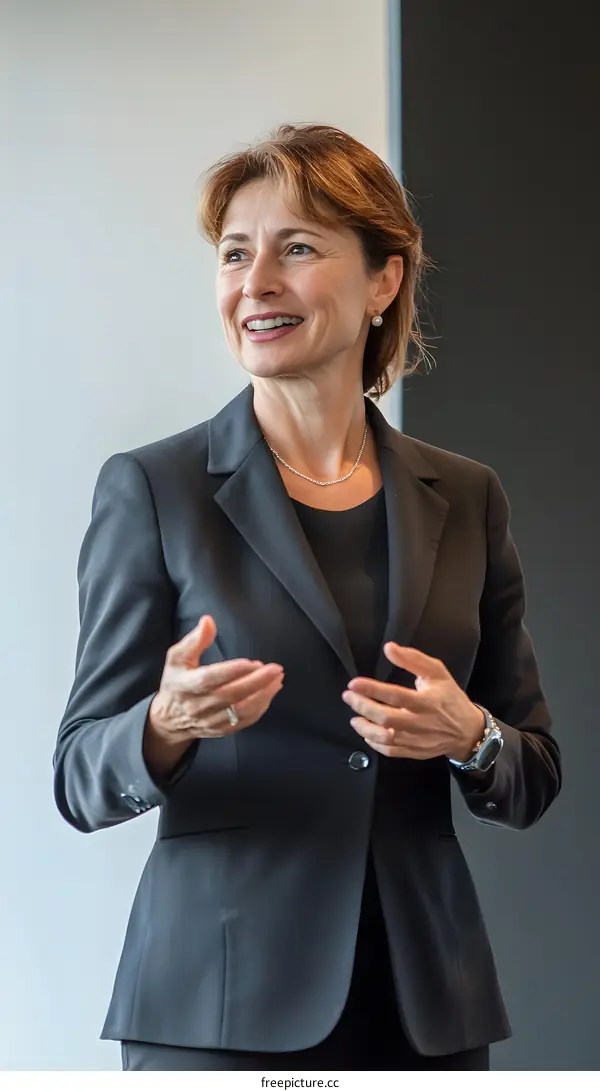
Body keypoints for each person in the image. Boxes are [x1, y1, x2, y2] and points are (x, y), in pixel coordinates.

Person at [53, 123, 561, 1072]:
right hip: (218, 1002)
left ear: (384, 281)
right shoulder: (154, 488)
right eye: (236, 254)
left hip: (424, 1009)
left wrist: (471, 736)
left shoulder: (468, 495)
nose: (257, 283)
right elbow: (80, 774)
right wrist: (162, 722)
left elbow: (532, 772)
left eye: (298, 248)